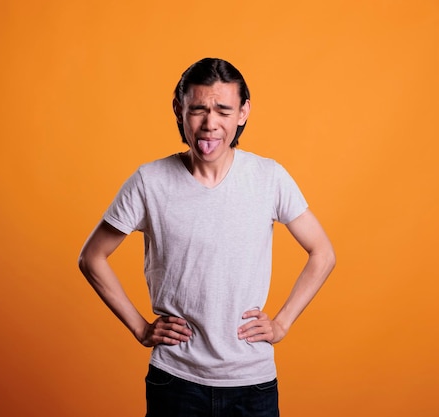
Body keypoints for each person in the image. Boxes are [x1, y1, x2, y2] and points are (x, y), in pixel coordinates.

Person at [78, 57, 335, 417]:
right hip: (176, 381)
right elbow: (91, 257)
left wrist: (281, 323)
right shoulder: (150, 181)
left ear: (243, 112)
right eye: (198, 109)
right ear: (178, 109)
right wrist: (140, 328)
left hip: (252, 384)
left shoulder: (268, 177)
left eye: (223, 111)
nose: (210, 124)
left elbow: (322, 253)